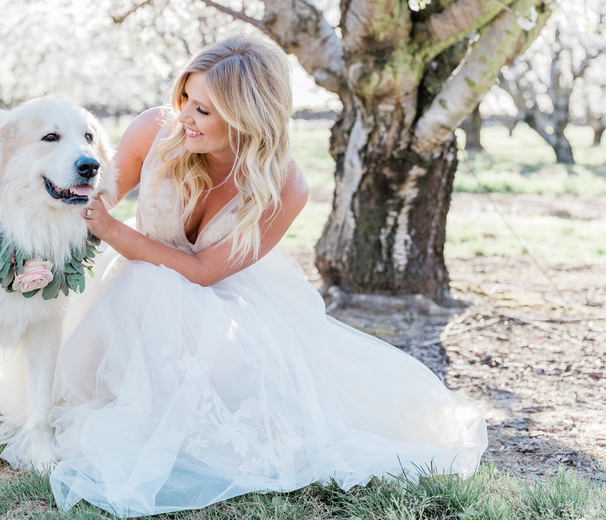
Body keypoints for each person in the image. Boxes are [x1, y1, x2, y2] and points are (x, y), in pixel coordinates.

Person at [46, 35, 487, 517]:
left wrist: (110, 228)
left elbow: (201, 271)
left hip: (222, 303)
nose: (185, 117)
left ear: (245, 117)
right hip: (130, 284)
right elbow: (86, 200)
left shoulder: (285, 183)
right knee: (136, 292)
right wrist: (39, 252)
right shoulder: (155, 130)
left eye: (204, 111)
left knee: (164, 294)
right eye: (186, 100)